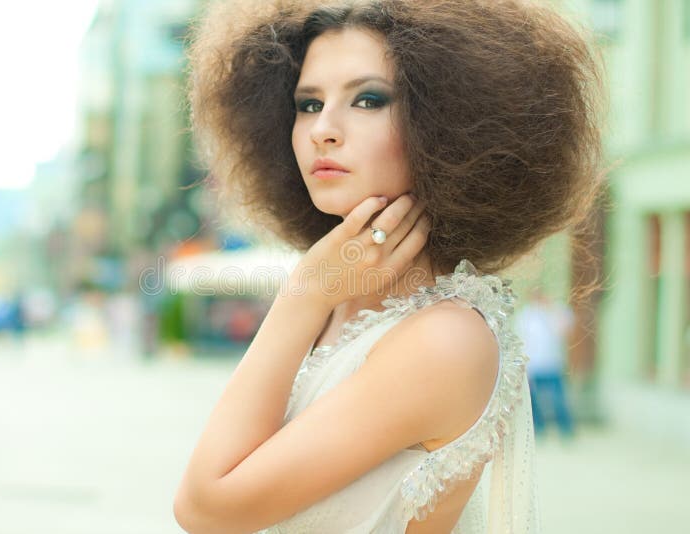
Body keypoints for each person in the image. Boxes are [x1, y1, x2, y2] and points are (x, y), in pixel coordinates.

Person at [174, 1, 606, 532]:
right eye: (307, 104)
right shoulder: (342, 303)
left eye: (368, 99)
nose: (323, 130)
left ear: (449, 122)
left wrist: (304, 291)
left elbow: (205, 509)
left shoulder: (444, 340)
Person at [515, 288, 576, 439]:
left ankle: (566, 430)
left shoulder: (555, 312)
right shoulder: (525, 315)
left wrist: (551, 308)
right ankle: (539, 431)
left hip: (552, 364)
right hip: (534, 366)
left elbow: (566, 330)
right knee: (534, 402)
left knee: (558, 400)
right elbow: (523, 342)